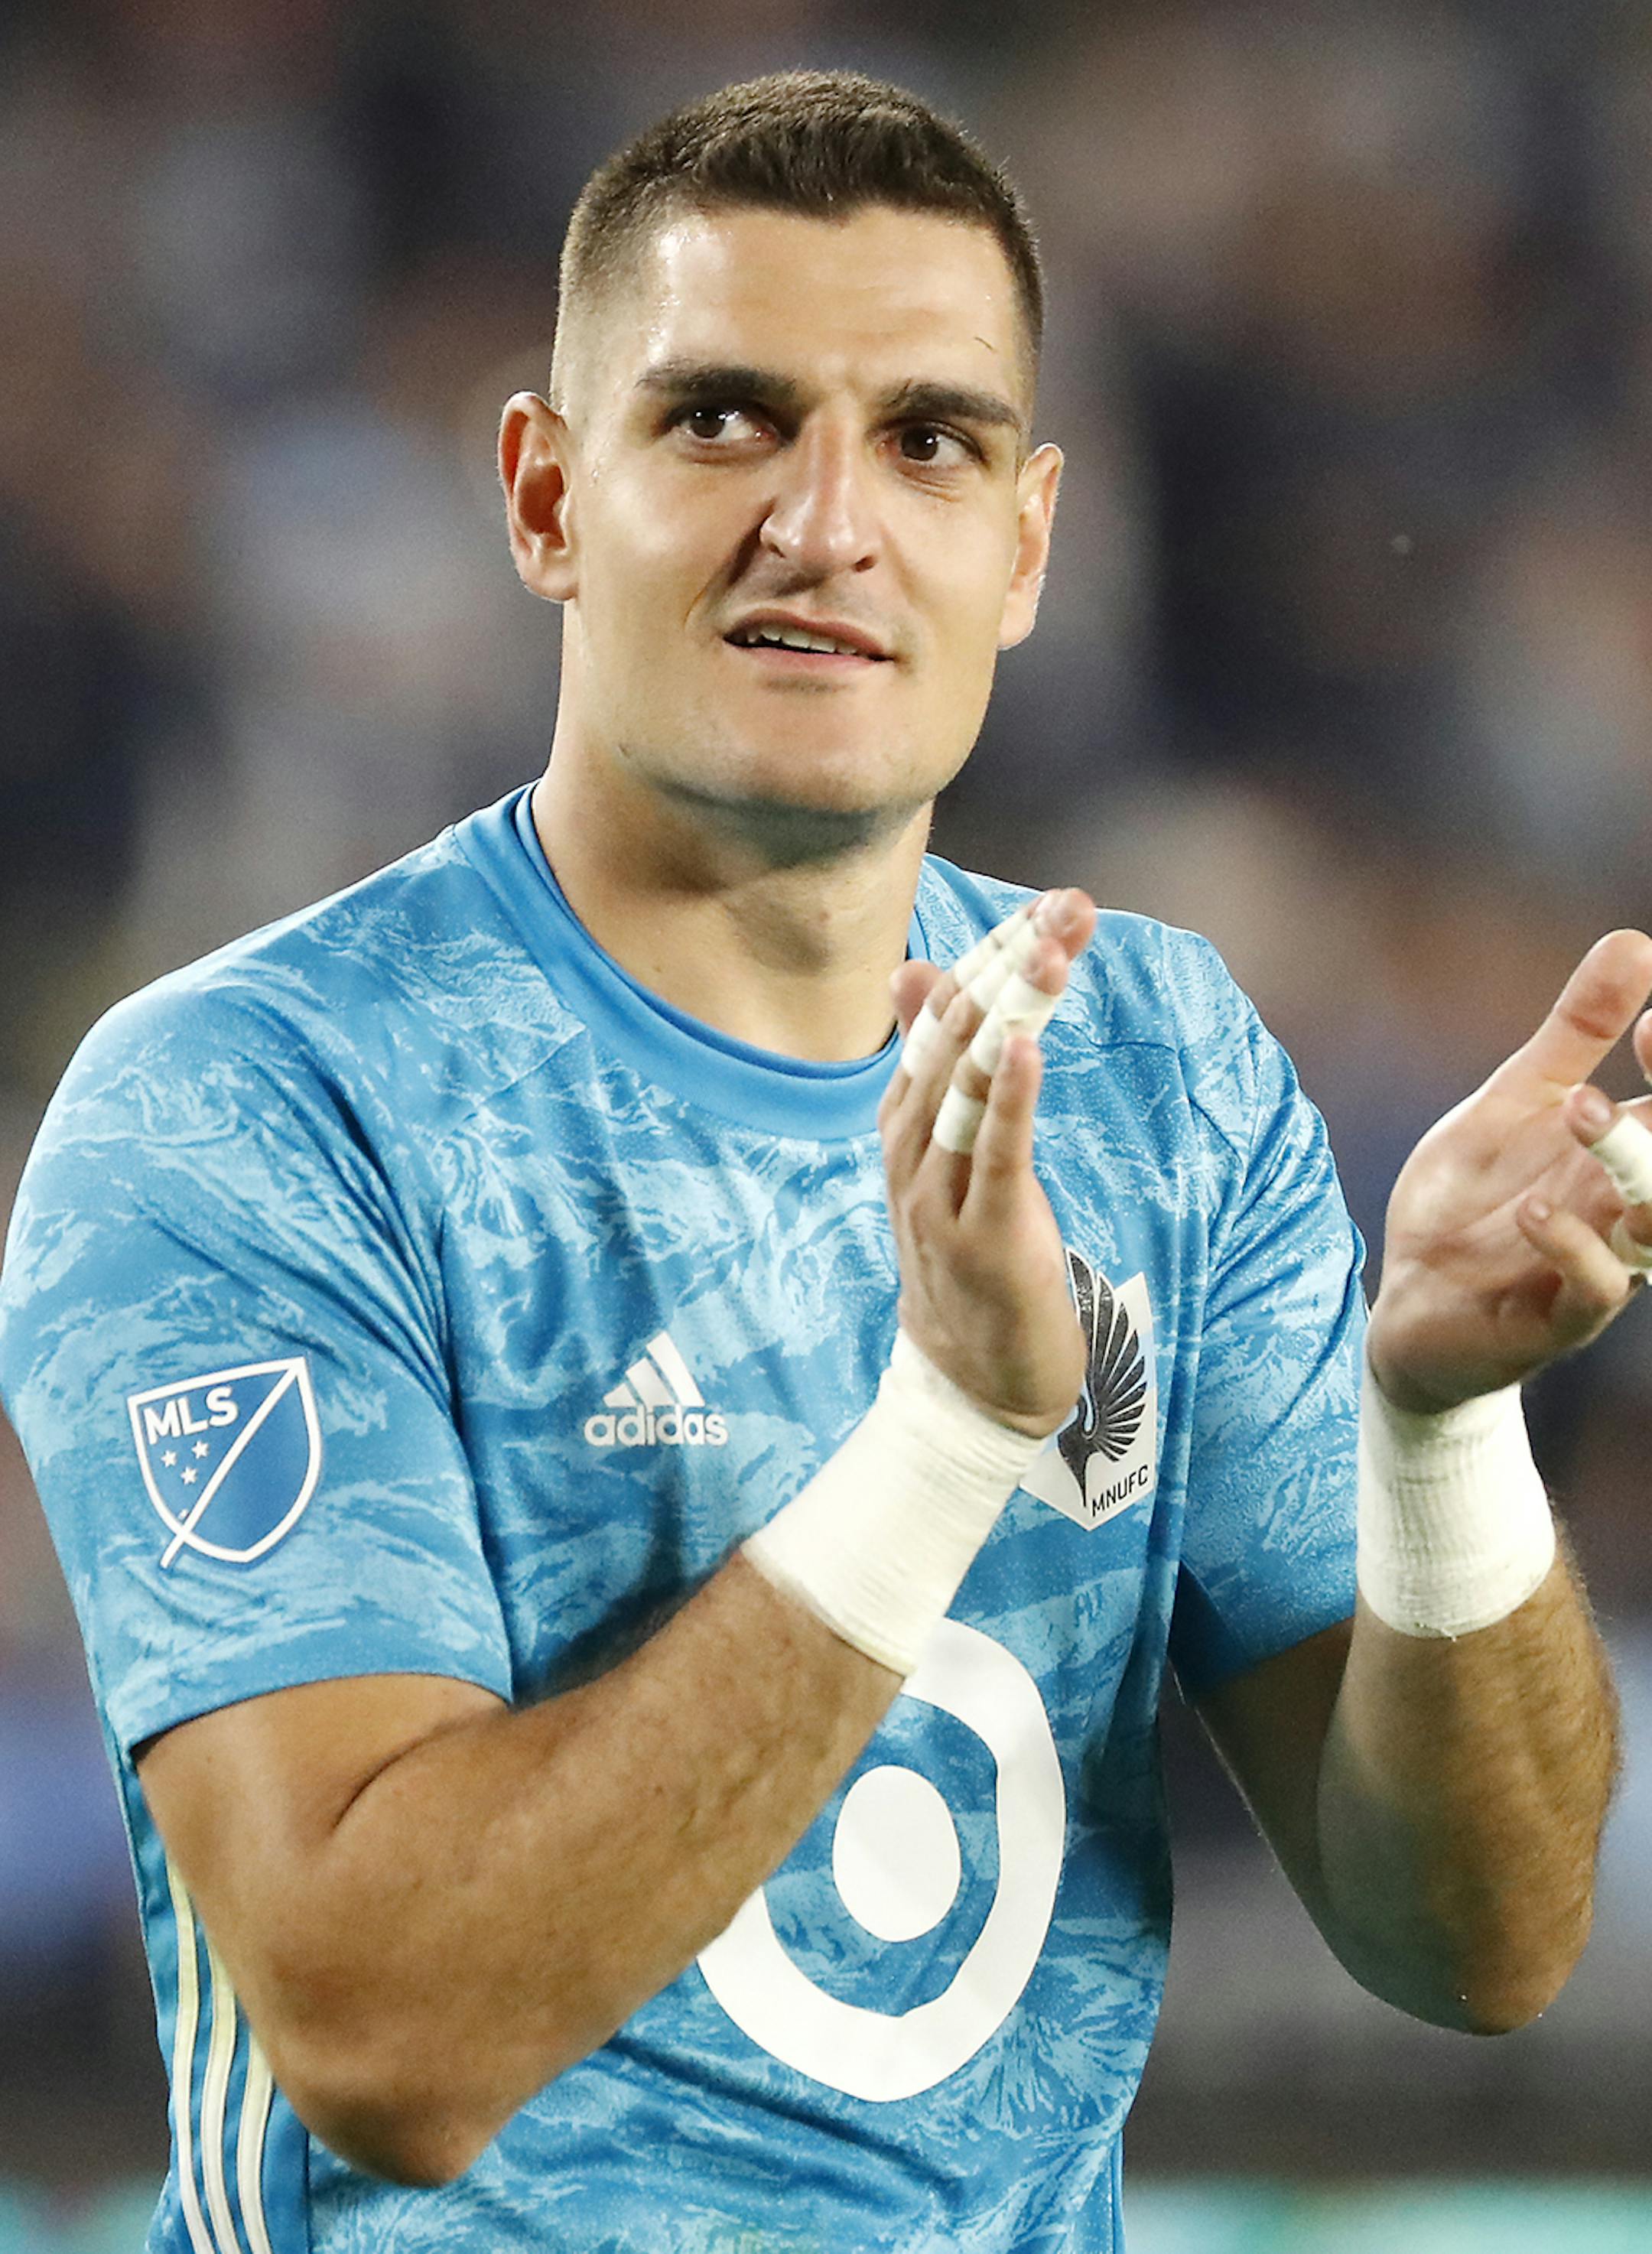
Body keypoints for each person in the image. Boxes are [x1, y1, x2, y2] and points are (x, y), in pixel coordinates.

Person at [0, 69, 1646, 2254]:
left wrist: (1444, 1432)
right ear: (544, 493)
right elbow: (388, 2037)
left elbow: (1483, 1939)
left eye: (930, 440)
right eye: (722, 421)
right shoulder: (257, 1104)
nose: (828, 522)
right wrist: (950, 1433)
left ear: (1033, 544)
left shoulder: (1161, 1068)